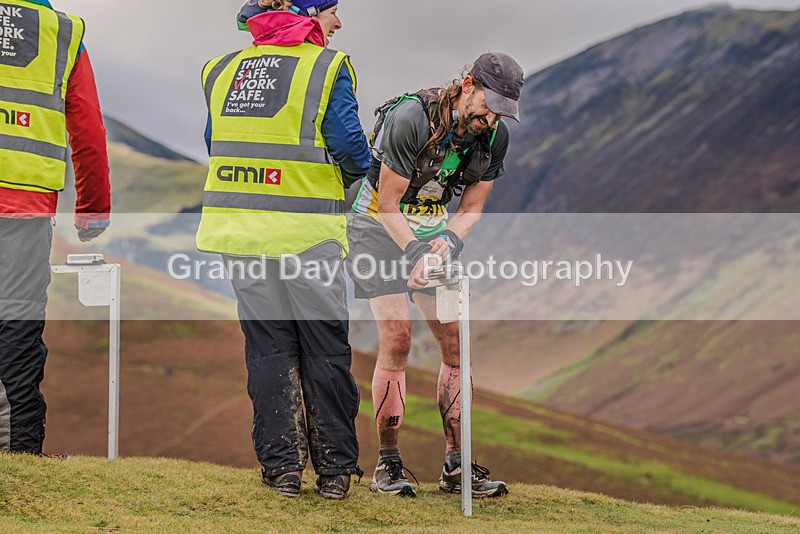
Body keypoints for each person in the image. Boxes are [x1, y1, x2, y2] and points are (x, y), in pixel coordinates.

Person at [196, 0, 371, 499]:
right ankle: (335, 472)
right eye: (333, 10)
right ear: (310, 12)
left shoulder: (220, 69)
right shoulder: (326, 66)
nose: (339, 22)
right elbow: (349, 147)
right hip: (306, 236)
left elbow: (216, 143)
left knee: (268, 350)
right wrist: (358, 178)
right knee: (324, 348)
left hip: (242, 235)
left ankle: (282, 470)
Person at [346, 53, 524, 498]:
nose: (492, 118)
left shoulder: (493, 137)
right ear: (467, 85)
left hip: (432, 236)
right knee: (398, 337)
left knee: (454, 341)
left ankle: (456, 465)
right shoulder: (412, 118)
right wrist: (418, 250)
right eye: (490, 105)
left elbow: (472, 209)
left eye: (503, 111)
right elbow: (388, 205)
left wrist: (448, 242)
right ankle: (388, 465)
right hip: (377, 231)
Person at [0, 0, 110, 455]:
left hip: (25, 205)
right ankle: (18, 449)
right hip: (24, 205)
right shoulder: (62, 32)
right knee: (17, 321)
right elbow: (86, 126)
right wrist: (93, 207)